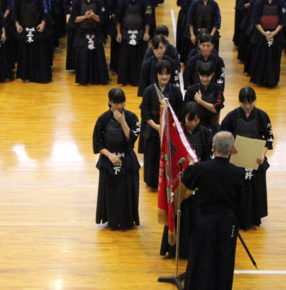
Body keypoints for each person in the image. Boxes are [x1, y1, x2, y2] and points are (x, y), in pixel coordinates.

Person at [182, 130, 244, 290]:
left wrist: (190, 162)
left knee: (201, 258)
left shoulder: (202, 168)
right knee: (224, 260)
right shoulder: (238, 172)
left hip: (205, 221)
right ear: (232, 149)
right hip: (227, 222)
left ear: (213, 147)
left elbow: (187, 180)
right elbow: (240, 200)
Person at [159, 101, 212, 259]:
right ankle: (176, 249)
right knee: (178, 214)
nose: (194, 123)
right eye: (190, 120)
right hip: (179, 180)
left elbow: (209, 157)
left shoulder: (205, 133)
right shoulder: (176, 132)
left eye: (196, 120)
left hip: (196, 181)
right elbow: (170, 153)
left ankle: (195, 249)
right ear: (184, 119)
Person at [221, 86, 273, 231]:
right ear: (239, 102)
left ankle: (253, 217)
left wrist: (262, 153)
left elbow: (269, 139)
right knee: (238, 189)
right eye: (244, 103)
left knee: (252, 189)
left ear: (255, 101)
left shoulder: (262, 116)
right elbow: (223, 135)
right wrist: (230, 147)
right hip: (237, 159)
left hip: (255, 159)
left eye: (250, 103)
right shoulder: (232, 116)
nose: (248, 106)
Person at [94, 87, 141, 231]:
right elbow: (97, 142)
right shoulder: (103, 119)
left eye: (122, 103)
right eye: (116, 103)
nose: (120, 106)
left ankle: (128, 220)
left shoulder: (132, 118)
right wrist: (110, 155)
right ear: (109, 102)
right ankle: (112, 220)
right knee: (111, 192)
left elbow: (132, 139)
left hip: (127, 161)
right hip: (109, 160)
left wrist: (123, 122)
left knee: (127, 191)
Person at [140, 60, 183, 191]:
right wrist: (157, 127)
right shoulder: (149, 90)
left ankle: (169, 182)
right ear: (156, 74)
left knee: (170, 156)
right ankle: (153, 183)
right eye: (161, 74)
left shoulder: (175, 91)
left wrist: (171, 126)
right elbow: (145, 112)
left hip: (171, 130)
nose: (164, 77)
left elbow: (180, 111)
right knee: (152, 157)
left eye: (167, 74)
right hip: (153, 130)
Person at [69, 0, 110, 85]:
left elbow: (103, 18)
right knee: (83, 56)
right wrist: (85, 17)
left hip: (95, 32)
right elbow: (73, 19)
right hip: (82, 32)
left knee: (98, 56)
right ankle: (83, 79)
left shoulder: (99, 1)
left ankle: (99, 79)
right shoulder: (77, 2)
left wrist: (93, 16)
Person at [114, 0, 153, 86]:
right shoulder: (122, 0)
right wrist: (118, 33)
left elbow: (148, 18)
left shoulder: (144, 0)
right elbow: (118, 18)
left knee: (139, 58)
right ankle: (124, 80)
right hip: (125, 33)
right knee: (125, 58)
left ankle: (138, 80)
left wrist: (146, 33)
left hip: (140, 33)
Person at [249, 0, 286, 88]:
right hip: (261, 35)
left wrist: (274, 33)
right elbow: (255, 20)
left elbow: (283, 21)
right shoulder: (259, 3)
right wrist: (265, 33)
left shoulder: (280, 3)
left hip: (276, 34)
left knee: (274, 58)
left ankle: (272, 80)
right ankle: (260, 79)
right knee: (260, 57)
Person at [13, 0, 52, 83]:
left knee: (39, 53)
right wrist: (17, 25)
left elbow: (45, 10)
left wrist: (43, 23)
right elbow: (15, 12)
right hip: (24, 27)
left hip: (37, 26)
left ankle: (39, 75)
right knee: (25, 53)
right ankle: (26, 76)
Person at [182, 0, 221, 64]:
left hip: (211, 31)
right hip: (196, 32)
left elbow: (217, 21)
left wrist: (211, 36)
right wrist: (192, 34)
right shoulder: (194, 4)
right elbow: (190, 19)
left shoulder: (214, 4)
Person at [184, 62, 224, 135]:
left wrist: (200, 101)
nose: (204, 79)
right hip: (195, 125)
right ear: (198, 74)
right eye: (202, 76)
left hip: (212, 125)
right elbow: (185, 110)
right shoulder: (191, 90)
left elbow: (216, 108)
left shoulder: (218, 89)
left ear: (212, 74)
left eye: (207, 76)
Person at [64, 0, 88, 71]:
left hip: (86, 21)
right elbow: (65, 5)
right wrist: (72, 9)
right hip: (74, 22)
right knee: (73, 45)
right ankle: (73, 66)